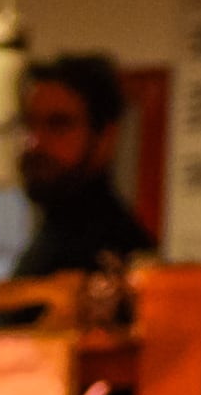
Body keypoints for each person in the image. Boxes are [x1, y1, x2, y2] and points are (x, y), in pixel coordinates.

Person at [11, 51, 155, 280]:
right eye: (29, 124)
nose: (34, 143)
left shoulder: (114, 253)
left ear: (105, 137)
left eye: (58, 125)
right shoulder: (54, 234)